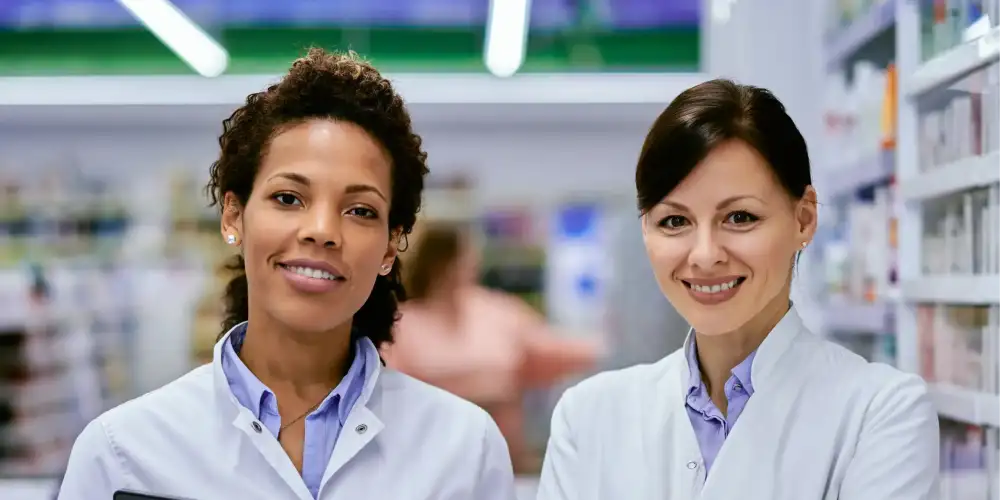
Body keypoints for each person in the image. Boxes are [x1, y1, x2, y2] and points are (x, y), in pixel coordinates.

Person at [57, 49, 516, 500]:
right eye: (288, 198)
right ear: (233, 216)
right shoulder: (123, 454)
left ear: (391, 245)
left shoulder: (464, 450)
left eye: (360, 210)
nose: (321, 231)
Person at [536, 79, 939, 499]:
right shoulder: (588, 417)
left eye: (740, 217)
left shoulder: (883, 413)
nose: (705, 255)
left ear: (804, 219)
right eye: (675, 221)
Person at [382, 222, 601, 473]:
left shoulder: (496, 313)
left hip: (504, 462)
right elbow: (388, 395)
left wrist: (617, 347)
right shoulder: (401, 325)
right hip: (428, 466)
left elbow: (556, 350)